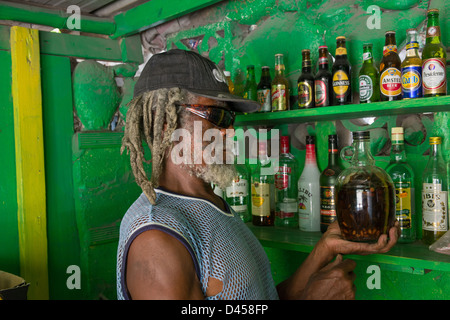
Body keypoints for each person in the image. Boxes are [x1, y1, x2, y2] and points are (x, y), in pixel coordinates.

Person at [117, 49, 399, 300]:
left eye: (231, 118)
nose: (229, 132)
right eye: (217, 117)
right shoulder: (157, 239)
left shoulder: (208, 203)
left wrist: (324, 249)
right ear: (166, 123)